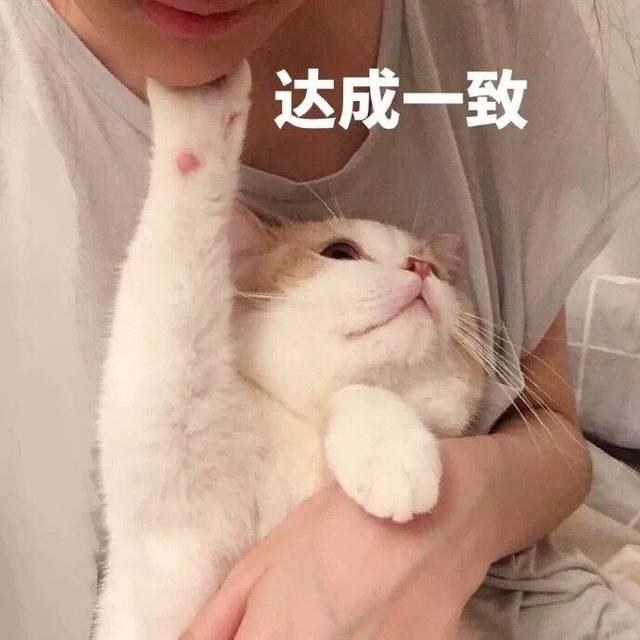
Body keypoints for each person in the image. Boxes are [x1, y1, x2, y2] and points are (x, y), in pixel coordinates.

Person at [1, 1, 639, 638]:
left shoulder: (494, 32)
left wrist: (445, 513)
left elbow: (553, 433)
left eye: (437, 271)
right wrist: (193, 195)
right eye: (340, 253)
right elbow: (166, 445)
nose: (418, 272)